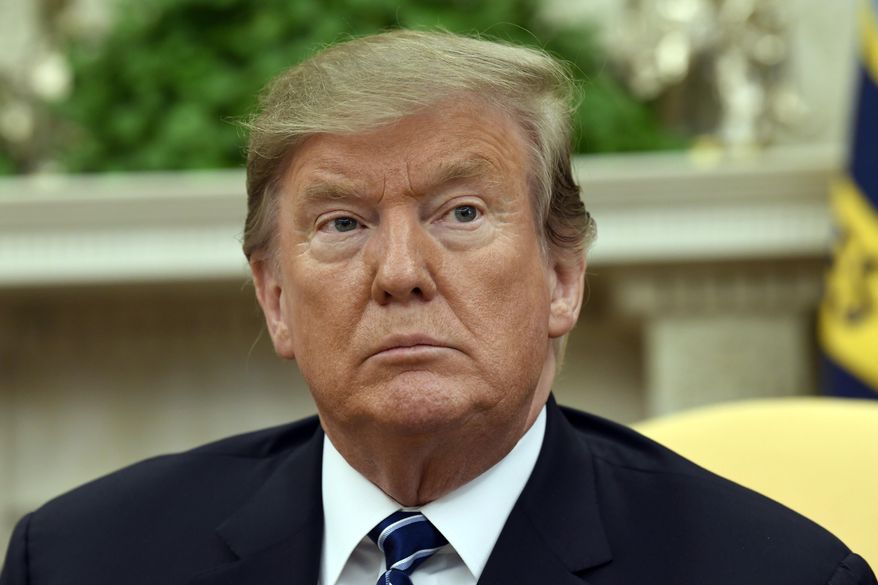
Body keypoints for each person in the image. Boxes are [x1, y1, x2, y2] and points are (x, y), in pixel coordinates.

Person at [1, 29, 875, 585]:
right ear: (275, 299)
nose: (400, 272)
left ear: (562, 277)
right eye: (342, 223)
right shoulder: (85, 558)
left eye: (459, 213)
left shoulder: (774, 573)